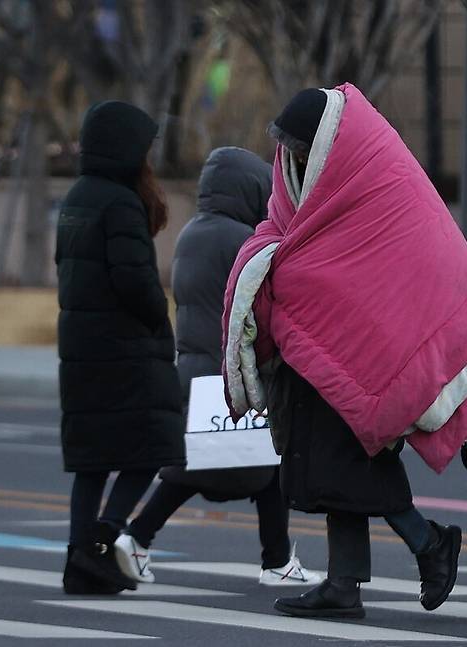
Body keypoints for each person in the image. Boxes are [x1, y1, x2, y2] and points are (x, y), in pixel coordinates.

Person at [221, 86, 467, 618]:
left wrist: (295, 277)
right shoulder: (303, 174)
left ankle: (427, 547)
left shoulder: (376, 180)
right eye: (289, 150)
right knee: (332, 470)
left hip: (359, 355)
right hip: (315, 355)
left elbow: (376, 264)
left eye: (303, 148)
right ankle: (347, 583)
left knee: (352, 465)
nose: (295, 159)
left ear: (327, 143)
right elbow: (290, 233)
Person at [113, 147, 320, 587]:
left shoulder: (192, 233)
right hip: (231, 374)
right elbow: (264, 304)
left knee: (217, 464)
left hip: (194, 368)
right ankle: (274, 561)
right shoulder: (240, 240)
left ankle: (272, 558)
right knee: (255, 461)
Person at [55, 101, 186, 594]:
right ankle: (103, 541)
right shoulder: (120, 203)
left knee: (92, 463)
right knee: (151, 448)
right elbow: (135, 283)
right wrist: (159, 314)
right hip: (125, 350)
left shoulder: (77, 198)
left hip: (83, 349)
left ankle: (78, 560)